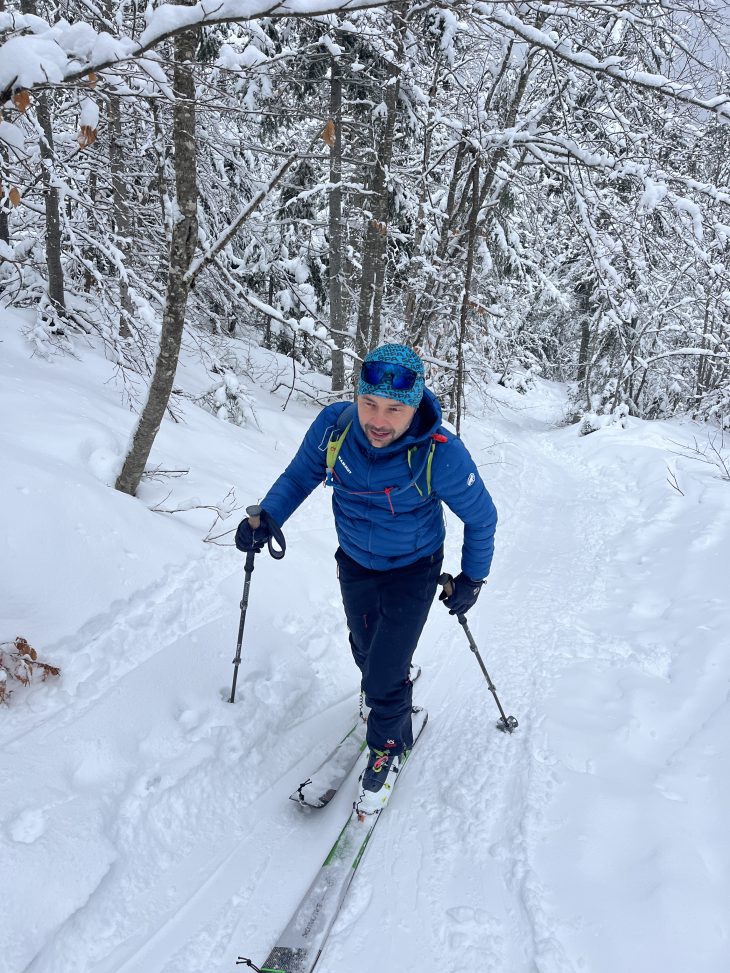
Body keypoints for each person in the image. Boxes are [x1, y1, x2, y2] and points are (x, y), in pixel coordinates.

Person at [236, 343, 497, 815]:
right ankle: (393, 691)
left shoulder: (441, 454)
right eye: (369, 403)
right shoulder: (335, 429)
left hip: (414, 568)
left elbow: (482, 518)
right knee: (364, 648)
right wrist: (268, 517)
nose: (379, 420)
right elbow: (299, 477)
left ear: (414, 405)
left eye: (394, 408)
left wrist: (472, 579)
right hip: (354, 560)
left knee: (380, 675)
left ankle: (387, 746)